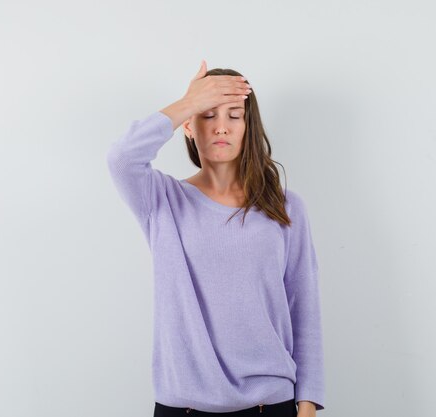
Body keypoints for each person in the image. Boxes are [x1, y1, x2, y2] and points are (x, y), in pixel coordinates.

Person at [106, 60, 325, 417]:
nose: (221, 127)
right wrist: (188, 102)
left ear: (247, 127)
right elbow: (121, 158)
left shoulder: (285, 206)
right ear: (189, 126)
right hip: (184, 407)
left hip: (270, 404)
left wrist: (308, 404)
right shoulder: (161, 200)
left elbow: (304, 307)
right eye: (208, 115)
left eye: (234, 115)